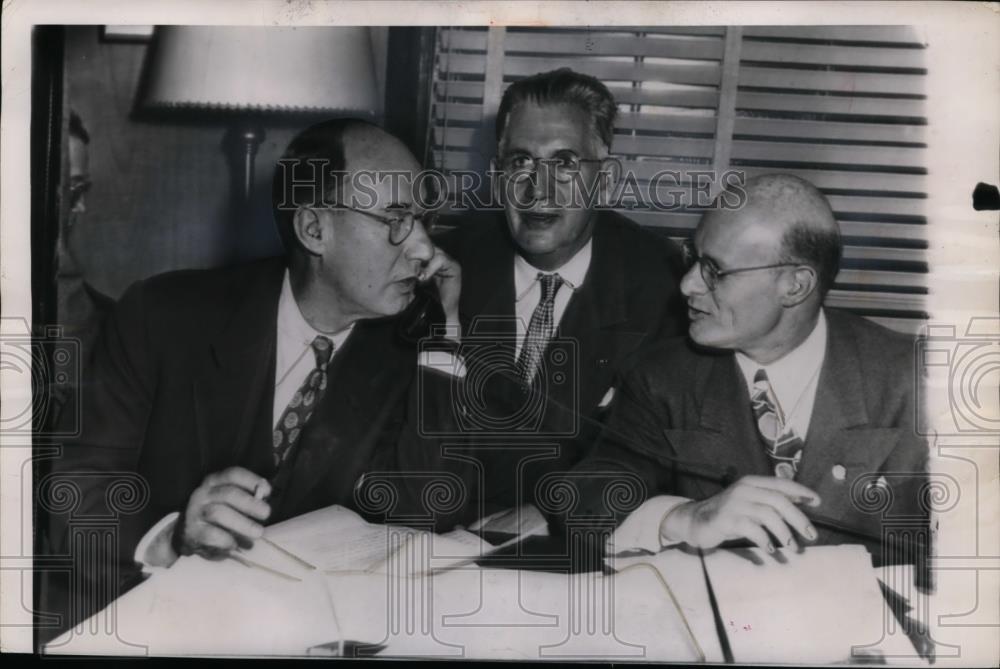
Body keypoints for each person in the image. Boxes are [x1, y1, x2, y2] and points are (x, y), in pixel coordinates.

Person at [43, 118, 462, 627]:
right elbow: (73, 497)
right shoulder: (163, 315)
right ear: (314, 229)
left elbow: (427, 517)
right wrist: (170, 538)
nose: (422, 249)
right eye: (396, 220)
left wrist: (444, 334)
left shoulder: (408, 354)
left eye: (423, 220)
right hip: (144, 623)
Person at [564, 173, 928, 566]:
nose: (687, 285)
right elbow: (586, 496)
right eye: (693, 258)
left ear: (795, 285)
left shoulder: (913, 381)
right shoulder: (662, 376)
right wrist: (683, 518)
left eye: (714, 271)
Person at [409, 68, 686, 529]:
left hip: (581, 549)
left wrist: (550, 512)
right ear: (498, 175)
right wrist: (448, 331)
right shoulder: (443, 264)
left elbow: (662, 459)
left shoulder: (663, 285)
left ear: (607, 180)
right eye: (520, 162)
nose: (537, 190)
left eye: (565, 164)